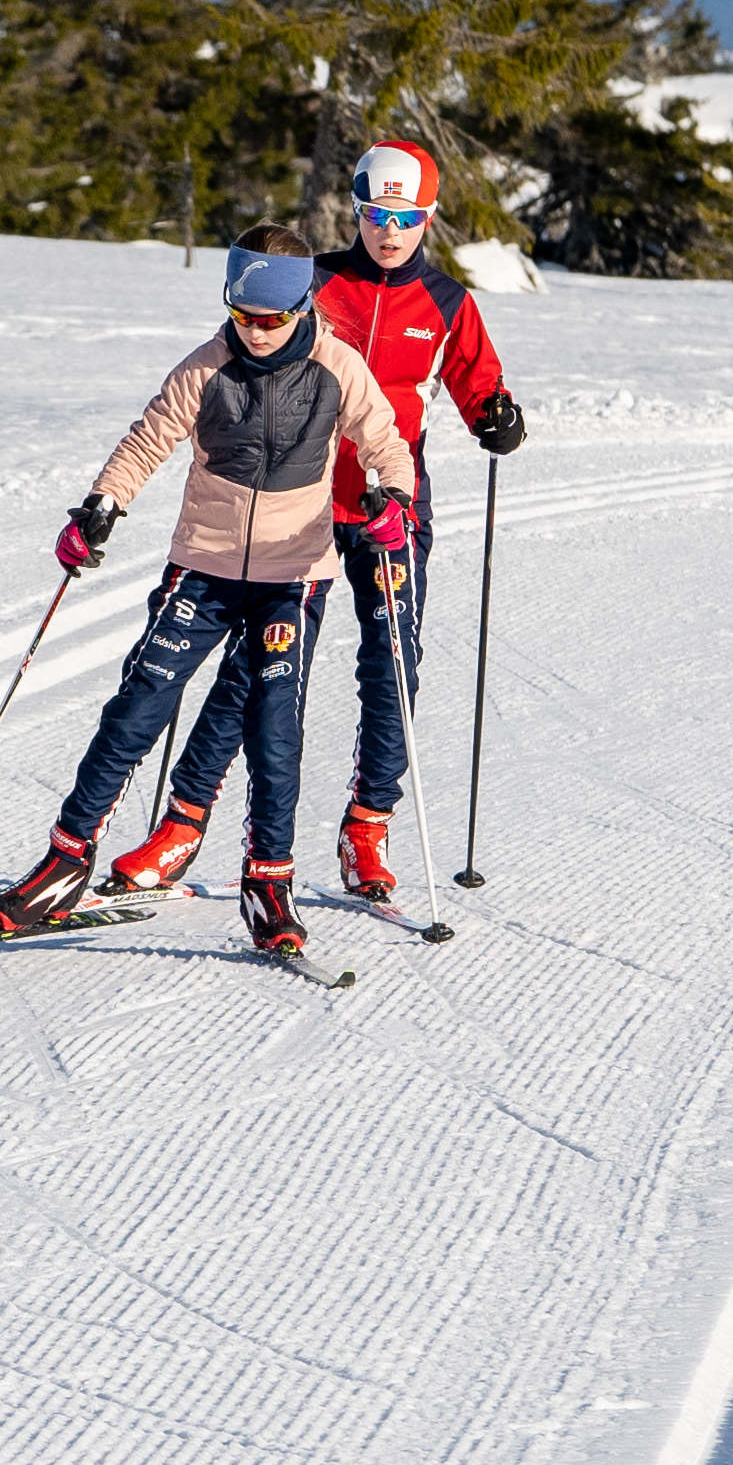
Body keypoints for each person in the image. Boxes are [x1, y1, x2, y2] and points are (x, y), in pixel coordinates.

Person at [0, 228, 419, 959]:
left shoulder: (338, 367)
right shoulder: (207, 367)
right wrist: (101, 506)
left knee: (275, 730)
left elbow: (385, 438)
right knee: (139, 703)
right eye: (244, 315)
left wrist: (393, 499)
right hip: (205, 566)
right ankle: (66, 857)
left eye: (273, 319)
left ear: (303, 305)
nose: (257, 331)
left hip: (291, 575)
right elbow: (147, 441)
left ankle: (268, 881)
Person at [111, 138, 526, 901]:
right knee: (254, 670)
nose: (388, 230)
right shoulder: (318, 282)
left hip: (388, 510)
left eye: (405, 216)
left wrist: (497, 415)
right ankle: (183, 822)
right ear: (357, 209)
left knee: (392, 663)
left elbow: (479, 389)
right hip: (294, 506)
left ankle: (367, 825)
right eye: (375, 212)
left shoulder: (448, 305)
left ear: (427, 218)